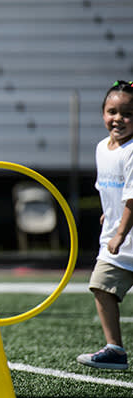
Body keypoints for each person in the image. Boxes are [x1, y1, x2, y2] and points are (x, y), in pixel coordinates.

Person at [77, 80, 133, 370]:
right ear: (102, 114)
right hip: (115, 238)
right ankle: (115, 349)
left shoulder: (132, 150)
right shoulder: (102, 148)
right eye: (112, 111)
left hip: (123, 237)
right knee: (101, 287)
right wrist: (107, 214)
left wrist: (121, 231)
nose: (118, 119)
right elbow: (110, 189)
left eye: (127, 114)